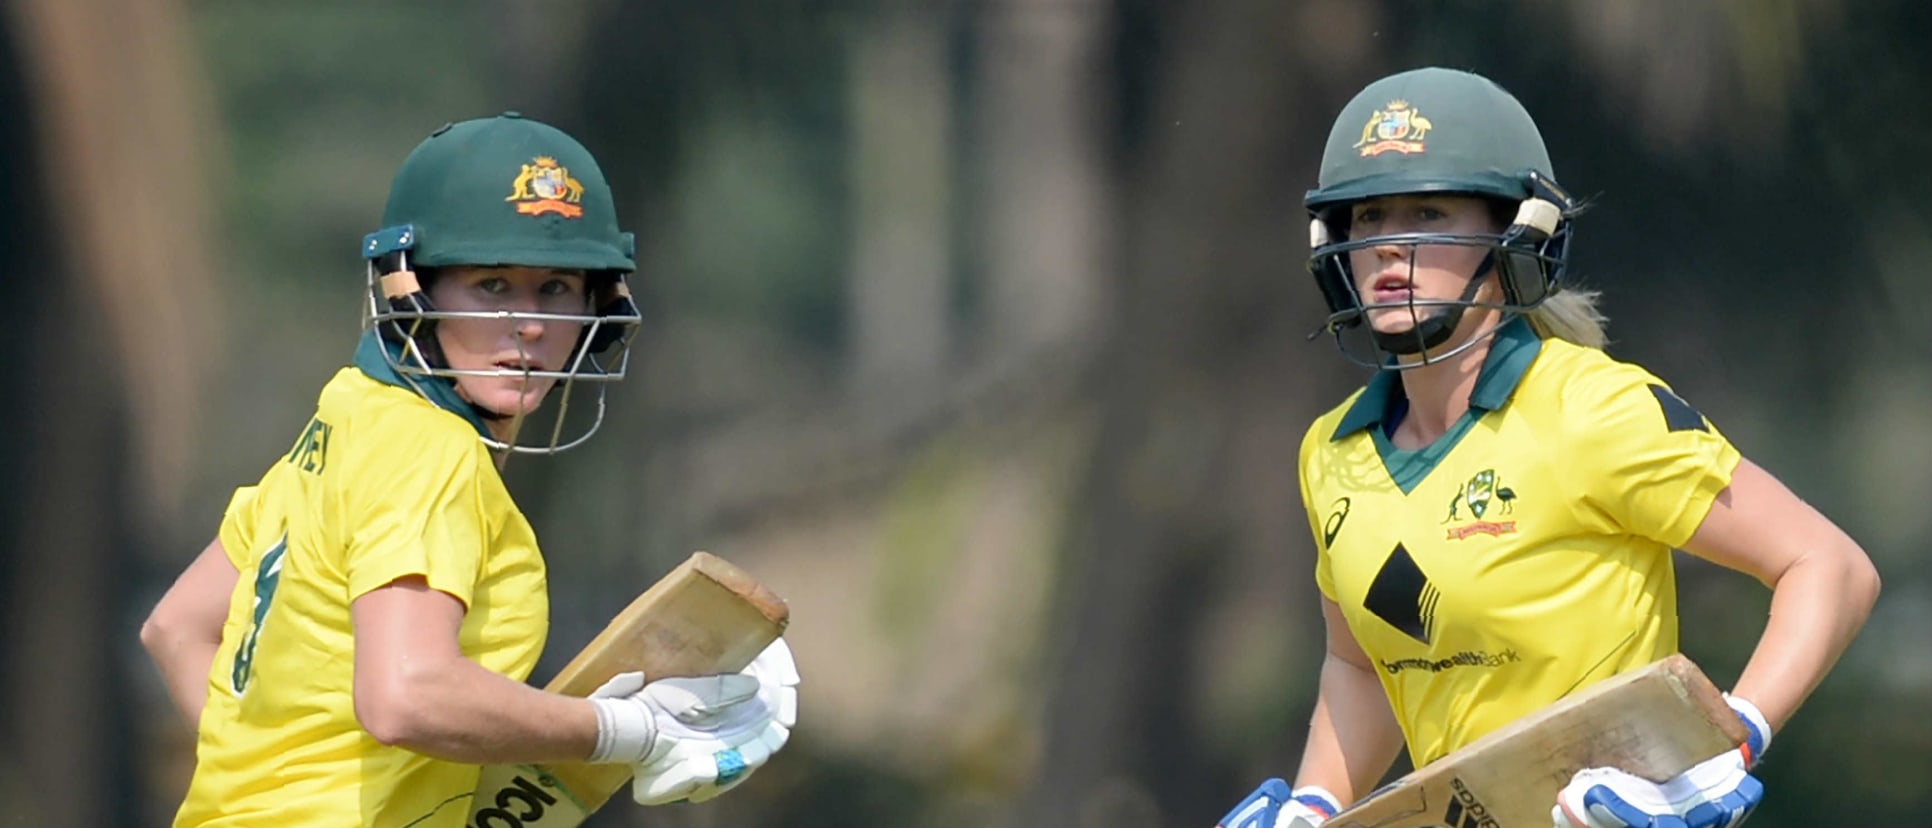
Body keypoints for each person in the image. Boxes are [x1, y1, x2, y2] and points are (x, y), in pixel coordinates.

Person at [1215, 68, 1880, 828]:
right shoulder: (1329, 452)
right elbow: (1363, 664)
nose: (1390, 250)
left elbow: (1830, 566)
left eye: (1428, 214)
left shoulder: (1594, 410)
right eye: (1368, 218)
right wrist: (1315, 804)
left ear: (1516, 237)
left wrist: (1728, 750)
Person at [139, 113, 800, 826]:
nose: (531, 324)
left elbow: (176, 628)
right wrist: (632, 732)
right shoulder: (431, 452)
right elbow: (405, 694)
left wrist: (278, 778)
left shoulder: (351, 413)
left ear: (596, 305)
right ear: (410, 291)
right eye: (491, 285)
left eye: (556, 288)